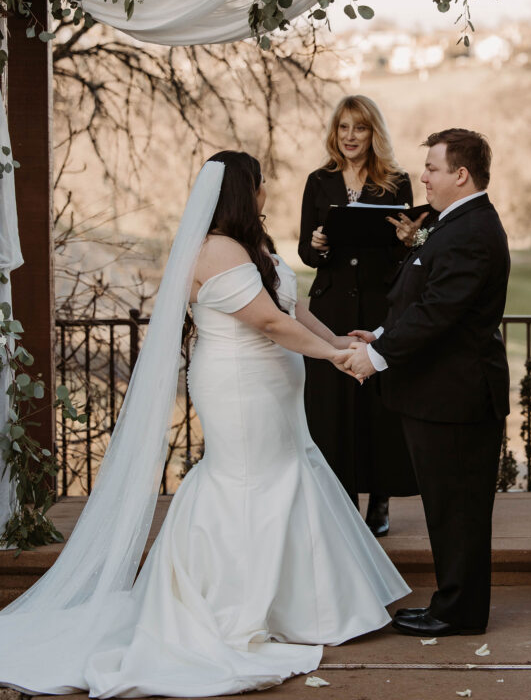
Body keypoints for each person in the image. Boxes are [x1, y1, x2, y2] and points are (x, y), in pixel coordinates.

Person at [0, 151, 409, 697]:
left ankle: (301, 607)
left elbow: (291, 308)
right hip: (239, 386)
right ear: (245, 191)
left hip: (274, 388)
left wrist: (340, 339)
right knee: (248, 479)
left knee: (289, 473)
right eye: (260, 185)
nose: (266, 193)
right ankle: (232, 602)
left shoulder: (252, 246)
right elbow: (265, 322)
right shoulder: (214, 249)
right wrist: (331, 360)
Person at [345, 129, 510, 637]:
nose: (423, 178)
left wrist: (376, 355)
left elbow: (440, 313)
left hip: (457, 398)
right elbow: (422, 298)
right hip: (440, 396)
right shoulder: (452, 225)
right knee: (446, 509)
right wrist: (378, 331)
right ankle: (450, 603)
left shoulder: (473, 230)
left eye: (433, 169)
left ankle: (458, 613)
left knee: (458, 512)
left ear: (461, 175)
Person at [298, 96, 424, 536]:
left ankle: (381, 500)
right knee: (333, 406)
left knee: (377, 403)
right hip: (329, 310)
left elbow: (404, 249)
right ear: (335, 133)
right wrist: (317, 244)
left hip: (376, 306)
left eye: (360, 128)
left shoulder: (397, 182)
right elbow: (305, 253)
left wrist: (411, 239)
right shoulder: (318, 181)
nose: (351, 137)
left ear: (374, 134)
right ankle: (342, 497)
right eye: (344, 128)